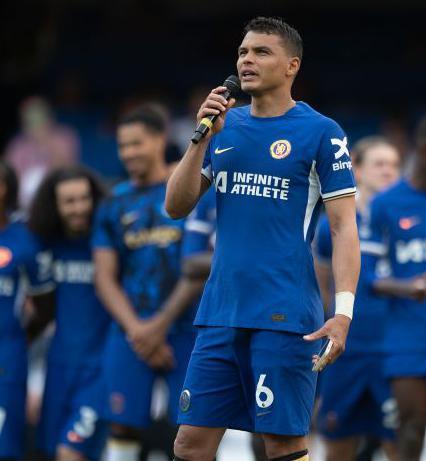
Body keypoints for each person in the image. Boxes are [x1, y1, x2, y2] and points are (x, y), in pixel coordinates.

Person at [165, 17, 360, 461]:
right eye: (242, 52)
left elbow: (344, 228)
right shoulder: (224, 128)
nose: (246, 60)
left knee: (283, 444)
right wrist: (200, 140)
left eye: (261, 52)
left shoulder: (321, 132)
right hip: (219, 312)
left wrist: (343, 313)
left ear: (292, 65)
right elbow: (176, 206)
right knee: (189, 444)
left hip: (285, 315)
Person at [92, 104, 201, 461]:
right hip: (130, 330)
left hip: (187, 328)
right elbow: (105, 278)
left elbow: (202, 266)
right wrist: (140, 331)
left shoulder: (192, 190)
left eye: (136, 143)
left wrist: (160, 326)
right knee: (122, 425)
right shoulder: (114, 202)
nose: (128, 153)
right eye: (123, 146)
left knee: (192, 427)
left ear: (159, 140)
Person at [363, 113, 426, 460]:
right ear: (424, 150)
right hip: (408, 337)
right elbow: (369, 278)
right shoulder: (385, 204)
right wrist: (406, 288)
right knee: (409, 431)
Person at [314, 137, 402, 461]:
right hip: (346, 351)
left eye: (394, 165)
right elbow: (323, 283)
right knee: (337, 440)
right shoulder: (331, 226)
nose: (388, 172)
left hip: (391, 350)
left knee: (398, 444)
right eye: (379, 164)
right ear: (357, 169)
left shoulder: (405, 222)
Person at [26, 167, 110, 461]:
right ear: (55, 206)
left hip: (101, 371)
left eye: (84, 199)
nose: (78, 208)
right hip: (58, 369)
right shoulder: (45, 245)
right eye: (69, 201)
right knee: (51, 452)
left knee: (69, 452)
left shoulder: (109, 243)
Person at [0, 160, 56, 461]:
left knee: (5, 446)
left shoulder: (23, 239)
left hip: (6, 358)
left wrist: (19, 340)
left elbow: (46, 306)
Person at [3, 96, 79, 208]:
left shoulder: (65, 136)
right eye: (29, 118)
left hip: (55, 199)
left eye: (38, 116)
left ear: (49, 117)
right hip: (24, 204)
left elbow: (65, 171)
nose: (34, 122)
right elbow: (10, 180)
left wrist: (46, 141)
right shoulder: (17, 144)